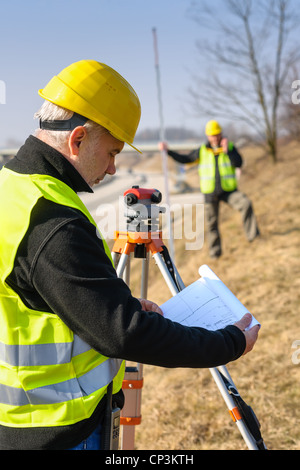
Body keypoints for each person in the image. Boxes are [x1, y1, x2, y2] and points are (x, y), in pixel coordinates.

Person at [0, 61, 260, 450]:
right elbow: (122, 333)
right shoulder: (54, 220)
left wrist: (111, 302)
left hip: (22, 419)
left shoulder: (14, 187)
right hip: (60, 430)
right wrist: (229, 342)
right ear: (78, 140)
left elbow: (39, 294)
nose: (112, 167)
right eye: (111, 153)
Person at [160, 120, 260, 258]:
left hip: (229, 191)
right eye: (212, 135)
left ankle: (254, 237)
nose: (215, 137)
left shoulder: (230, 147)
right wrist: (168, 151)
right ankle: (215, 253)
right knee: (212, 224)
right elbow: (186, 159)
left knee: (246, 203)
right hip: (210, 193)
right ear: (208, 136)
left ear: (221, 134)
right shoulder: (202, 150)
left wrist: (228, 151)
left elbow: (239, 163)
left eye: (217, 134)